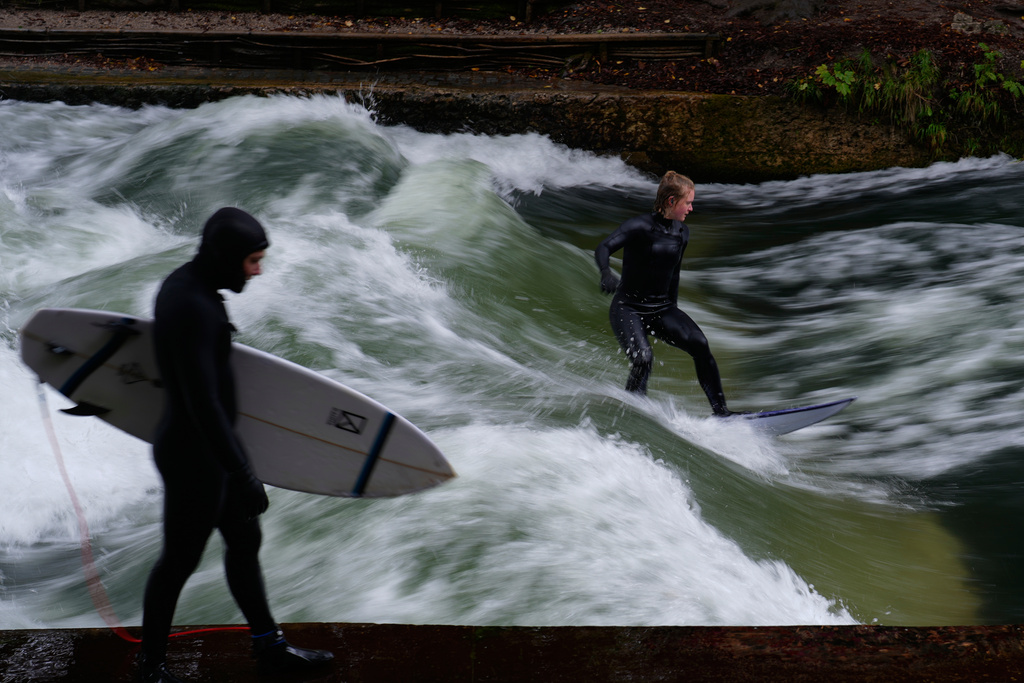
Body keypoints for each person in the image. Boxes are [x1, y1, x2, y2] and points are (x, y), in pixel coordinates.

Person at [140, 207, 334, 683]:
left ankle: (269, 648)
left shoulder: (193, 288)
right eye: (252, 260)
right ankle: (150, 668)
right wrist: (241, 473)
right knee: (180, 560)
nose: (258, 271)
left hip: (211, 448)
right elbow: (201, 402)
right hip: (194, 454)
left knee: (245, 540)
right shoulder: (192, 306)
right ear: (226, 258)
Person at [594, 171, 737, 416]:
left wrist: (674, 312)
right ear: (671, 202)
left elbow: (674, 274)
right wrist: (606, 272)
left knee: (700, 344)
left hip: (662, 309)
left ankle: (722, 413)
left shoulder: (682, 233)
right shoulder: (639, 227)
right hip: (628, 308)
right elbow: (604, 246)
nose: (691, 209)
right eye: (688, 203)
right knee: (643, 359)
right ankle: (632, 410)